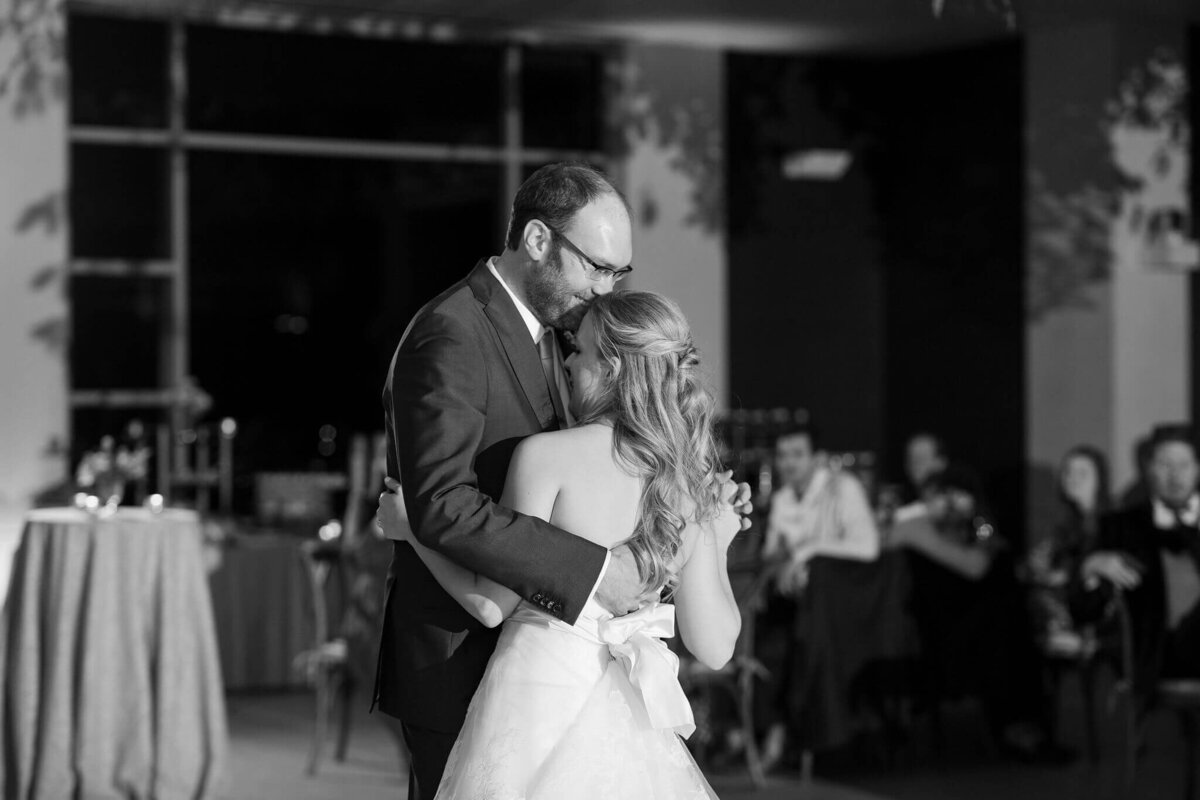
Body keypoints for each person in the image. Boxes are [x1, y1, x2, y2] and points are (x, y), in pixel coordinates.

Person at [372, 162, 749, 798]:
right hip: (467, 665)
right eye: (598, 266)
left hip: (552, 674)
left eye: (618, 274)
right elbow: (444, 503)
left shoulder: (557, 335)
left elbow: (443, 520)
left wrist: (684, 530)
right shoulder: (452, 333)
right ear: (540, 240)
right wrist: (626, 561)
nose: (605, 289)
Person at [756, 424, 880, 768]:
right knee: (764, 637)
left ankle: (781, 735)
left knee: (794, 640)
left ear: (817, 458)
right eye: (782, 455)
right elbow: (773, 555)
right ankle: (767, 731)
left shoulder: (843, 488)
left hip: (843, 607)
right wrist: (784, 563)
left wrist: (806, 552)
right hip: (796, 601)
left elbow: (867, 547)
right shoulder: (782, 499)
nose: (788, 463)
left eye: (797, 454)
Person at [1075, 424, 1200, 702]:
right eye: (1165, 464)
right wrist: (1090, 569)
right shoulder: (1120, 527)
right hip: (1152, 674)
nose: (1175, 475)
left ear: (1197, 468)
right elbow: (1084, 611)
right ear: (1148, 468)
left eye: (1184, 464)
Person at [1026, 446, 1109, 651]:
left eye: (1082, 473)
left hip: (1096, 632)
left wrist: (1065, 576)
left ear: (1100, 479)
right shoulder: (1063, 524)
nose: (1072, 478)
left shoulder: (1110, 523)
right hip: (1061, 626)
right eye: (1067, 471)